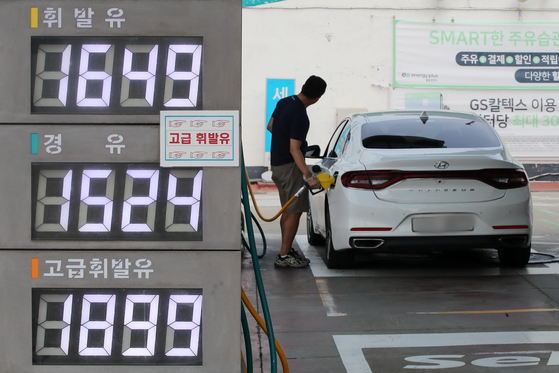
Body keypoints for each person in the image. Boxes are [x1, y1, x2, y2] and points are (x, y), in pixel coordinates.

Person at [267, 75, 327, 268]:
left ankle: (286, 250)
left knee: (287, 209)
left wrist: (283, 140)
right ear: (318, 97)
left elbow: (270, 127)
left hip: (276, 165)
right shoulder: (300, 115)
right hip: (290, 167)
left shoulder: (284, 101)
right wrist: (309, 177)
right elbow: (295, 149)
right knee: (294, 212)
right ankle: (284, 256)